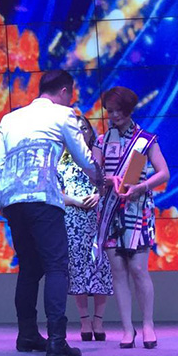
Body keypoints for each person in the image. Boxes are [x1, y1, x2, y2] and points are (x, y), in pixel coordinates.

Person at [0, 70, 102, 356]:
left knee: (29, 268)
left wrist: (0, 199)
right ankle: (56, 339)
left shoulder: (9, 119)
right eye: (71, 94)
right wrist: (100, 179)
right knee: (56, 267)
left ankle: (26, 334)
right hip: (42, 198)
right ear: (64, 91)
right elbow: (82, 156)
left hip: (13, 200)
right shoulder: (63, 114)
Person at [93, 86, 169, 350]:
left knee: (138, 269)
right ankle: (127, 329)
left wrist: (141, 186)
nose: (113, 115)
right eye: (110, 111)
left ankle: (148, 324)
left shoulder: (145, 140)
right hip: (110, 209)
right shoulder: (101, 141)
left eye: (117, 111)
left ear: (128, 110)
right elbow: (94, 175)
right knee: (118, 271)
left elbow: (163, 172)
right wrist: (108, 180)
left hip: (137, 209)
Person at [57, 114, 112, 342]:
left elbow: (111, 184)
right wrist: (76, 201)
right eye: (76, 129)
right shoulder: (59, 160)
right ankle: (85, 321)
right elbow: (53, 192)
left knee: (101, 266)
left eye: (85, 128)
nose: (81, 132)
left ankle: (99, 321)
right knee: (77, 269)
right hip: (73, 220)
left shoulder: (98, 157)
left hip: (99, 218)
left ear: (91, 132)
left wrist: (99, 195)